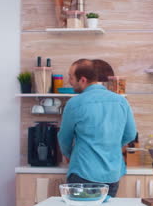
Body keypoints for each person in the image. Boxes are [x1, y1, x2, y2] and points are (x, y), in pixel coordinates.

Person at [58, 58, 137, 197]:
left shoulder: (75, 103)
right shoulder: (121, 101)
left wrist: (70, 155)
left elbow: (64, 138)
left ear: (82, 80)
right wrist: (111, 146)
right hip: (112, 174)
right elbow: (131, 134)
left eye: (71, 77)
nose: (69, 81)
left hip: (83, 172)